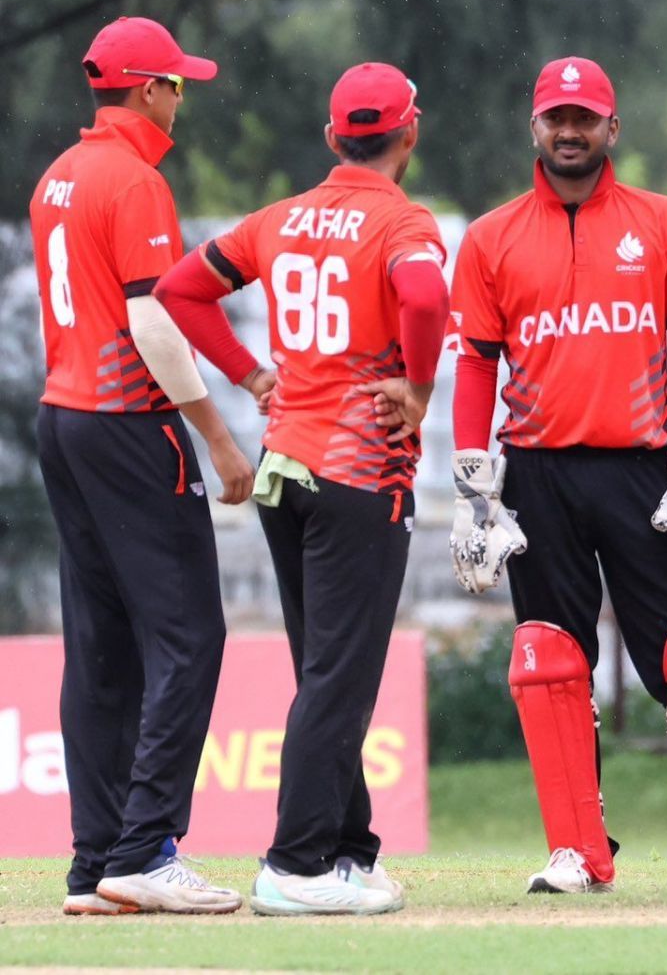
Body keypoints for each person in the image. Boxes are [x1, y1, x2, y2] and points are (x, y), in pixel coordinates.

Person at [445, 56, 667, 896]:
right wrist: (474, 483)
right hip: (537, 474)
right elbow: (477, 362)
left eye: (585, 118)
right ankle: (578, 854)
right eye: (556, 117)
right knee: (550, 659)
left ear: (611, 129)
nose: (570, 131)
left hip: (640, 468)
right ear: (535, 128)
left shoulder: (662, 223)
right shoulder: (490, 238)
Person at [155, 62, 447, 916]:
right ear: (410, 134)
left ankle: (350, 852)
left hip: (287, 472)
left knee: (326, 670)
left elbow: (181, 287)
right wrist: (421, 389)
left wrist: (250, 375)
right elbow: (425, 294)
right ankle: (295, 864)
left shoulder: (281, 218)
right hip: (361, 475)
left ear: (331, 139)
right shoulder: (401, 220)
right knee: (340, 677)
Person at [29, 17, 257, 916]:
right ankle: (147, 850)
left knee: (100, 650)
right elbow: (154, 323)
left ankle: (97, 861)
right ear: (151, 89)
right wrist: (219, 433)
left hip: (66, 419)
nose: (181, 99)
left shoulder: (60, 174)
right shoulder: (134, 180)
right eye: (178, 85)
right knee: (190, 638)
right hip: (129, 424)